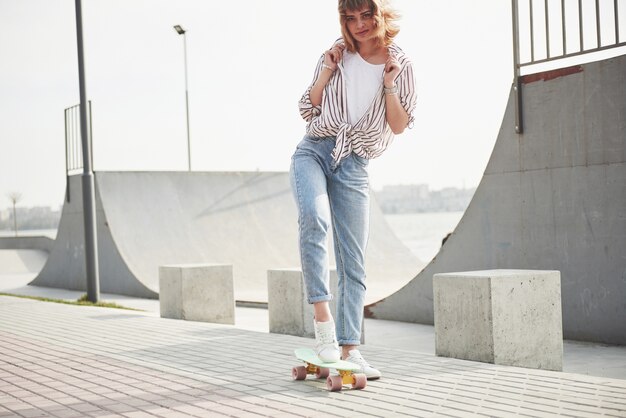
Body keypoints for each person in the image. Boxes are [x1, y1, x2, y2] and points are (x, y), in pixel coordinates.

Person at [289, 0, 417, 380]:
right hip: (314, 150)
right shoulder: (336, 53)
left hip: (355, 163)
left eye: (366, 15)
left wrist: (389, 85)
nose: (358, 24)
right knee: (314, 220)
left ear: (380, 15)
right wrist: (327, 72)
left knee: (353, 260)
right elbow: (308, 107)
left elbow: (397, 125)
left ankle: (350, 349)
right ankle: (323, 325)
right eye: (350, 17)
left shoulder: (402, 63)